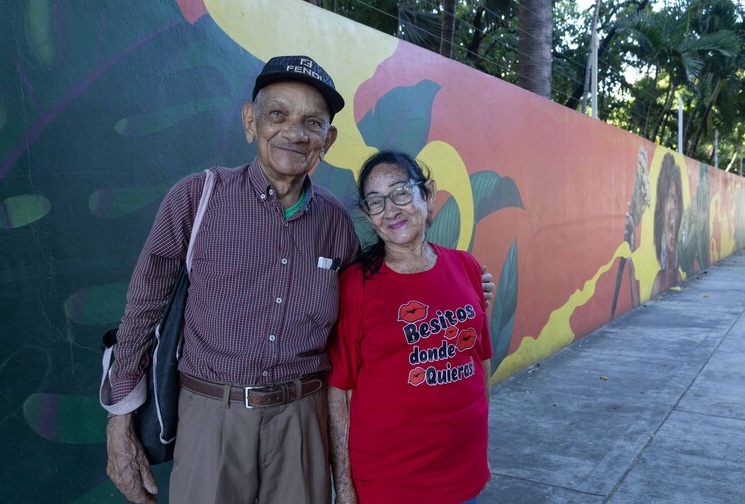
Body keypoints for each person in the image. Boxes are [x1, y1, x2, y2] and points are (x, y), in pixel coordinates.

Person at [100, 55, 496, 504]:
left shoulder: (334, 223)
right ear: (251, 122)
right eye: (277, 114)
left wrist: (467, 290)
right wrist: (119, 420)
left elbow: (375, 304)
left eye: (312, 122)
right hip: (211, 418)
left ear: (326, 140)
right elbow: (143, 308)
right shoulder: (198, 198)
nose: (294, 132)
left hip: (303, 423)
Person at [327, 151, 492, 504]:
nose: (390, 210)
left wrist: (480, 444)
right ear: (368, 216)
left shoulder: (467, 268)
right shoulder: (356, 285)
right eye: (376, 202)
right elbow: (339, 392)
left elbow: (482, 361)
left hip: (464, 473)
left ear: (428, 194)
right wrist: (344, 487)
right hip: (390, 481)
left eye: (401, 192)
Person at [651, 153, 683, 296]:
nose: (672, 209)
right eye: (668, 200)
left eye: (675, 201)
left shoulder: (677, 276)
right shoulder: (659, 280)